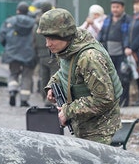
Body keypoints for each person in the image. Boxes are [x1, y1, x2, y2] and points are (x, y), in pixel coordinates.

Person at [37, 8, 122, 144]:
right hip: (84, 127)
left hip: (100, 131)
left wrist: (68, 111)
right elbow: (68, 72)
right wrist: (53, 84)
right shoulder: (68, 49)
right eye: (46, 38)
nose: (48, 44)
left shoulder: (89, 58)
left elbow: (104, 99)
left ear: (64, 35)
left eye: (52, 38)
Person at [0, 2, 37, 107]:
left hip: (12, 52)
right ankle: (24, 100)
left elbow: (2, 36)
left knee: (13, 73)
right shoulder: (33, 23)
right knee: (26, 76)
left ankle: (12, 90)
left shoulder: (9, 21)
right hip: (29, 54)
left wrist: (7, 47)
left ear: (17, 11)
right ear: (27, 11)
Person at [98, 0, 132, 107]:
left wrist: (128, 47)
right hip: (108, 54)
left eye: (117, 7)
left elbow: (129, 36)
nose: (115, 9)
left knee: (123, 78)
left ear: (122, 8)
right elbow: (102, 34)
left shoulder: (127, 20)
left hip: (122, 55)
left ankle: (124, 102)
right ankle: (112, 102)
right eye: (113, 7)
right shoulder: (108, 19)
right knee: (109, 79)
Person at [32, 1, 57, 102]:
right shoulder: (53, 22)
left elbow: (33, 40)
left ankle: (44, 97)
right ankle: (50, 100)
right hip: (53, 53)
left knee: (43, 77)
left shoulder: (37, 23)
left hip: (41, 54)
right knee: (54, 77)